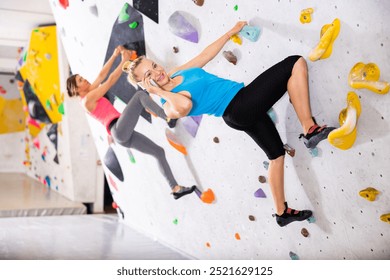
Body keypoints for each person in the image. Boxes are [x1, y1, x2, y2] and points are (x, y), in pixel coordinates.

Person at [124, 21, 336, 226]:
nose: (157, 71)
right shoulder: (168, 103)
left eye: (153, 65)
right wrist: (158, 92)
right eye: (149, 75)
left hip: (238, 112)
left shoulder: (176, 74)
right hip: (239, 106)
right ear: (146, 84)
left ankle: (281, 212)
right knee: (294, 62)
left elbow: (203, 56)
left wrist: (229, 33)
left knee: (276, 156)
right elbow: (184, 106)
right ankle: (309, 129)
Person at [66, 45, 196, 200]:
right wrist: (124, 61)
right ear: (76, 90)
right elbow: (109, 81)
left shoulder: (89, 94)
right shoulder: (87, 100)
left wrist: (114, 56)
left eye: (82, 77)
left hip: (123, 134)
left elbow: (101, 76)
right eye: (80, 80)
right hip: (118, 129)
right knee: (140, 95)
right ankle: (168, 117)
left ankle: (175, 188)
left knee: (158, 152)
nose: (84, 79)